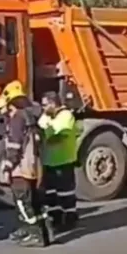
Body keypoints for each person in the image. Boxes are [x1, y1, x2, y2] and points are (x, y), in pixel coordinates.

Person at [0, 81, 52, 247]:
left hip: (21, 167)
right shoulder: (31, 116)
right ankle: (43, 232)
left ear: (11, 104)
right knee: (35, 201)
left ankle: (35, 234)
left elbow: (15, 145)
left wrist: (7, 166)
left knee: (22, 202)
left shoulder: (17, 119)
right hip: (34, 165)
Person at [39, 92, 80, 232]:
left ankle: (70, 218)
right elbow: (41, 127)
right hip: (49, 161)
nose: (43, 108)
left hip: (63, 161)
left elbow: (55, 136)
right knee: (50, 194)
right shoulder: (47, 116)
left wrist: (45, 134)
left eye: (45, 105)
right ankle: (56, 219)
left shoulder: (66, 116)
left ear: (53, 103)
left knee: (66, 193)